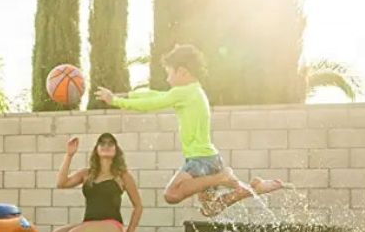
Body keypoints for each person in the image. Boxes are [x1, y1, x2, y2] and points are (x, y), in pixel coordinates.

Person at [94, 43, 283, 216]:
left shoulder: (184, 92)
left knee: (172, 194)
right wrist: (124, 95)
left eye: (169, 73)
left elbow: (151, 103)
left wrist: (116, 102)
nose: (167, 79)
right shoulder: (193, 91)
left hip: (200, 160)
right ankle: (253, 188)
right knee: (210, 209)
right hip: (211, 159)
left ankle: (222, 177)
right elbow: (154, 95)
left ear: (182, 71)